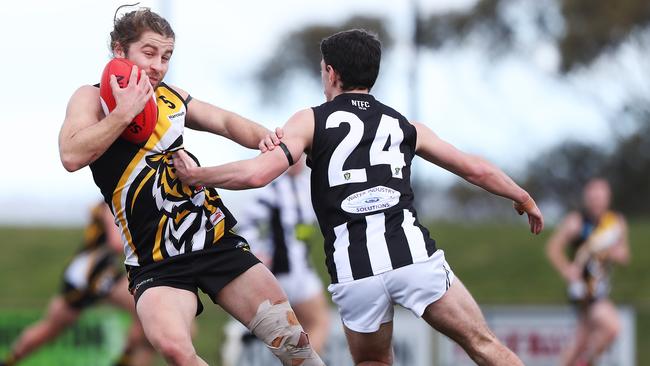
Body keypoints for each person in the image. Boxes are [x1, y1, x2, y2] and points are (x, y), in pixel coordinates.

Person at [172, 29, 544, 365]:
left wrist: (198, 176)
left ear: (332, 73)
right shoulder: (404, 125)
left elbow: (257, 173)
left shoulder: (310, 120)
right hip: (412, 256)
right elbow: (473, 168)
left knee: (373, 362)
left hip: (355, 273)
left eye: (322, 71)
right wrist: (521, 196)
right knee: (483, 344)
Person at [58, 6, 323, 366]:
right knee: (175, 350)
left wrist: (267, 139)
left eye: (166, 56)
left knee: (294, 344)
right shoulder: (90, 99)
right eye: (149, 53)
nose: (158, 66)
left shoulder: (171, 96)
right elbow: (71, 156)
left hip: (214, 242)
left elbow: (226, 122)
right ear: (120, 52)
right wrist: (124, 113)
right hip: (155, 261)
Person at [0, 202, 153, 366]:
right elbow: (116, 243)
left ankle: (9, 361)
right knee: (147, 310)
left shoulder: (121, 200)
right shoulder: (111, 204)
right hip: (89, 272)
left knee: (147, 312)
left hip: (95, 271)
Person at [223, 157, 330, 365]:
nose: (298, 162)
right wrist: (258, 252)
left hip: (300, 269)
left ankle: (243, 334)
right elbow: (247, 225)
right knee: (318, 321)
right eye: (293, 157)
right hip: (287, 272)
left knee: (299, 331)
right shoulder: (272, 189)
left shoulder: (305, 186)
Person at [546, 178, 629, 366]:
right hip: (582, 288)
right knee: (612, 327)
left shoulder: (615, 222)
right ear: (586, 198)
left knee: (580, 341)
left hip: (601, 286)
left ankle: (580, 362)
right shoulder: (576, 221)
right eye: (593, 196)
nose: (597, 200)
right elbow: (553, 248)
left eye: (601, 196)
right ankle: (585, 363)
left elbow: (624, 255)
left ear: (608, 198)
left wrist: (614, 253)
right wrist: (566, 269)